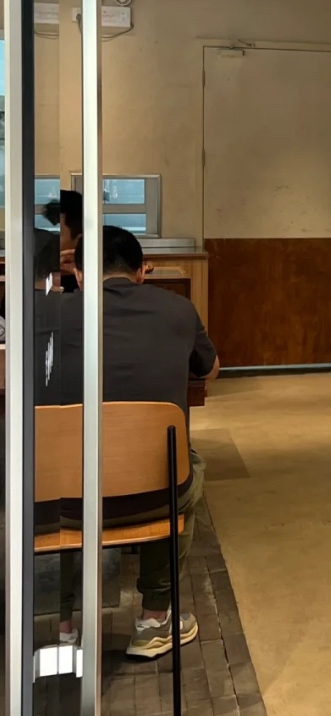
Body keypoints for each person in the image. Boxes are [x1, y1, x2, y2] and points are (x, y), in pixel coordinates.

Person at [61, 225, 219, 658]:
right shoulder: (178, 309)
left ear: (78, 273)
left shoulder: (49, 314)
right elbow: (209, 369)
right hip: (153, 497)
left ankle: (63, 626)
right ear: (141, 271)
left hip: (64, 502)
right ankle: (154, 619)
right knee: (183, 466)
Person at [43, 189, 84, 290]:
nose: (49, 239)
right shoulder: (37, 271)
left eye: (58, 233)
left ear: (79, 239)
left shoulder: (92, 282)